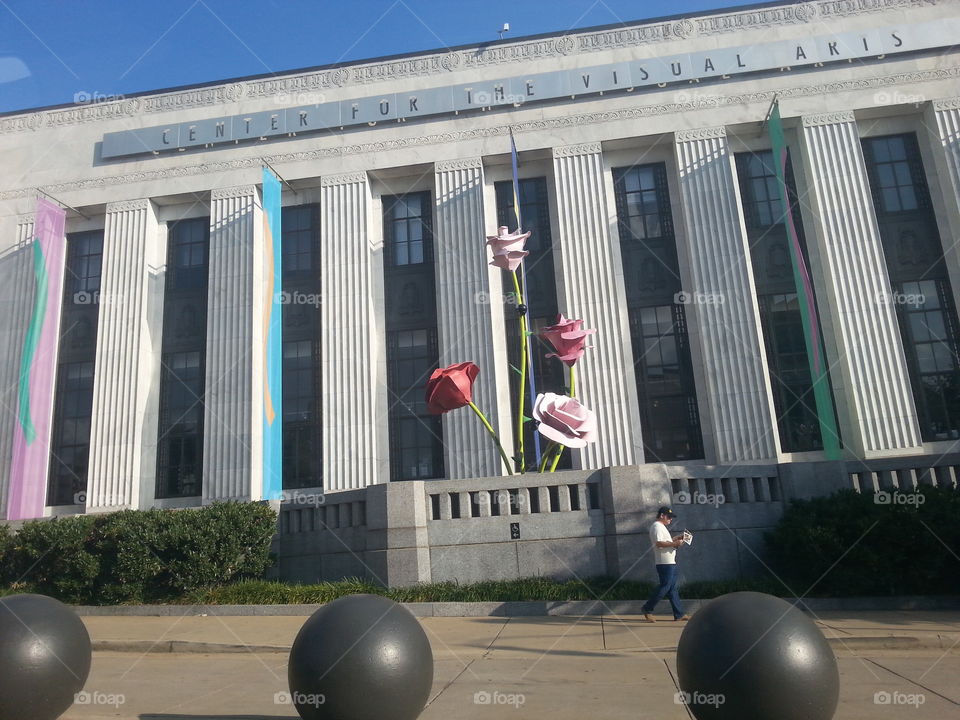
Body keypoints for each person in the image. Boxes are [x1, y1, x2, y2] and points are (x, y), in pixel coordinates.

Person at [641, 506, 690, 622]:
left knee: (672, 588)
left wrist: (675, 540)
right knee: (665, 587)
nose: (670, 520)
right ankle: (647, 608)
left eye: (671, 518)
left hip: (669, 562)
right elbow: (659, 543)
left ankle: (679, 614)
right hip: (664, 563)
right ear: (662, 515)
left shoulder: (661, 527)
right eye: (669, 517)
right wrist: (675, 543)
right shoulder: (657, 526)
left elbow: (664, 542)